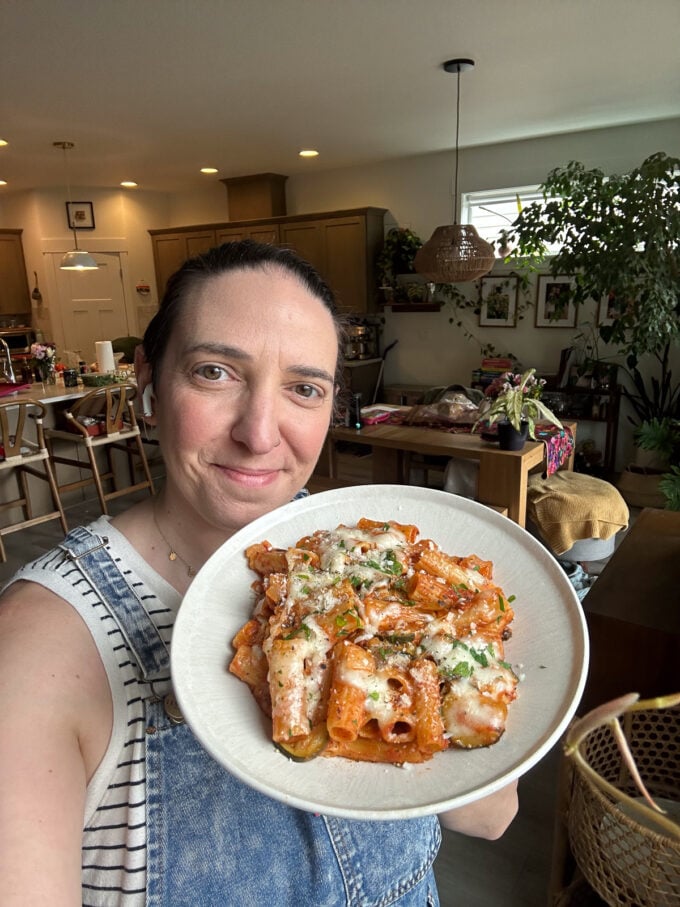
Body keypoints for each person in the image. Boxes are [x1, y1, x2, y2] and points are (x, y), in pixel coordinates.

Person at [0, 241, 518, 905]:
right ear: (148, 380)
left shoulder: (369, 558)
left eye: (304, 388)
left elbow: (490, 815)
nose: (260, 431)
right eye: (215, 371)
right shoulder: (36, 647)